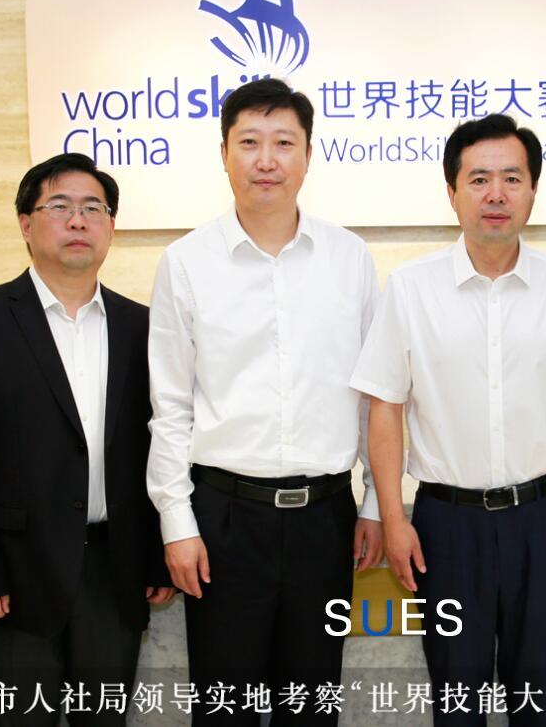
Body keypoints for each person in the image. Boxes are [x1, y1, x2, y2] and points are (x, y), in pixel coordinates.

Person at [353, 114, 546, 726]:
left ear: (532, 191)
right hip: (447, 528)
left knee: (535, 699)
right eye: (479, 180)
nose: (496, 194)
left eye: (511, 179)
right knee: (457, 700)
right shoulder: (411, 289)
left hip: (543, 522)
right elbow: (385, 408)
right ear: (452, 192)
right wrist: (393, 518)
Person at [145, 78, 383, 725]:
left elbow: (374, 397)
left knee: (312, 704)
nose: (266, 160)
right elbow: (171, 405)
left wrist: (374, 503)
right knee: (226, 708)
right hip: (224, 519)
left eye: (284, 142)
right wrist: (178, 522)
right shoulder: (187, 262)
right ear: (224, 153)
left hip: (326, 519)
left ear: (308, 154)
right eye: (249, 142)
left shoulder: (349, 258)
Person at [0, 153, 173, 725]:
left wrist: (154, 556)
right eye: (60, 206)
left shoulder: (141, 325)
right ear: (25, 224)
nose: (78, 221)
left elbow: (156, 445)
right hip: (17, 574)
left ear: (111, 226)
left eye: (94, 208)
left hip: (114, 569)